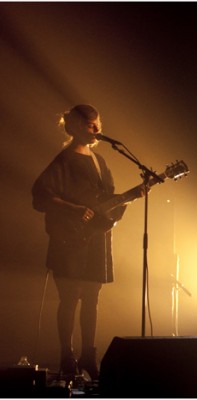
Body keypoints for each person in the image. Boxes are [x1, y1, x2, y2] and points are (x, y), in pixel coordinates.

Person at [32, 104, 143, 380]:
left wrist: (132, 197)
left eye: (98, 124)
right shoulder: (64, 160)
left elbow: (107, 204)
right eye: (91, 125)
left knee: (92, 299)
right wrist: (73, 209)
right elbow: (41, 196)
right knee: (70, 298)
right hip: (68, 240)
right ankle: (66, 357)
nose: (97, 130)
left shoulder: (99, 161)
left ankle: (88, 357)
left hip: (95, 240)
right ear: (77, 127)